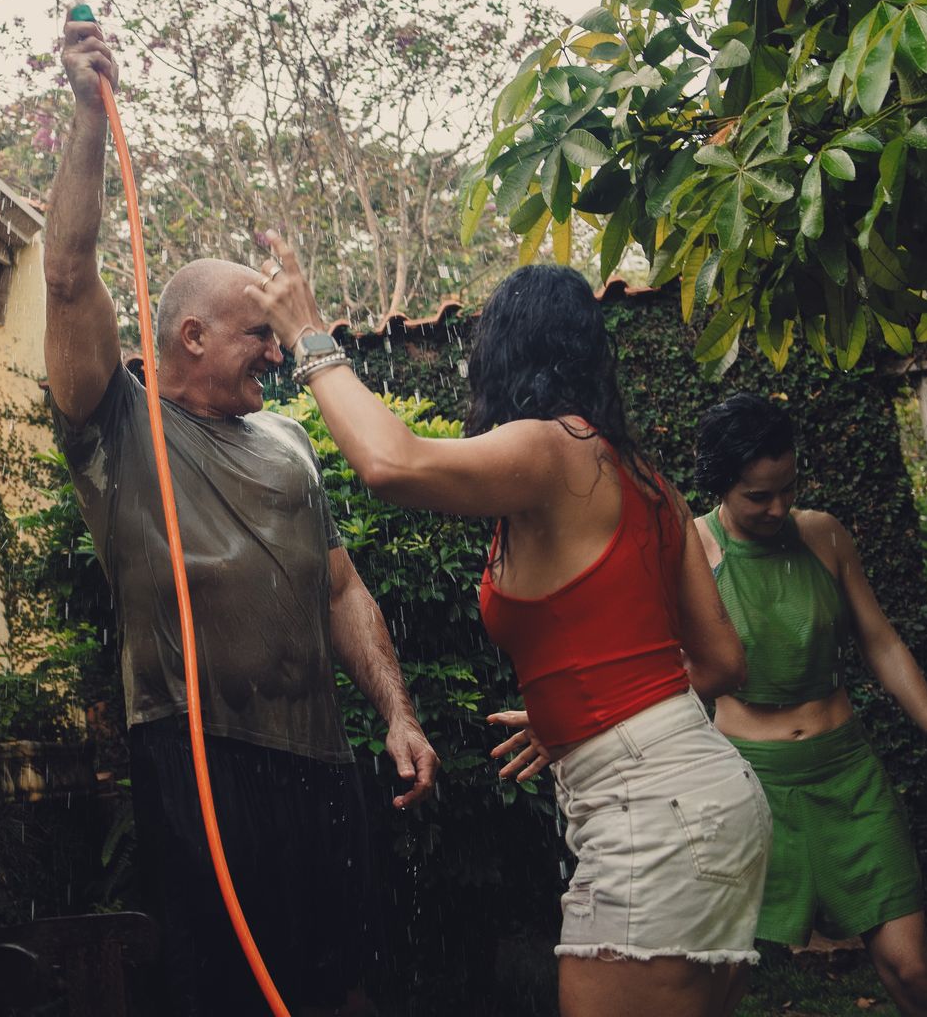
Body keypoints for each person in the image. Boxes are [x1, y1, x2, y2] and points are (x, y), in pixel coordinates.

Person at [250, 246, 768, 1017]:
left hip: (650, 810)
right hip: (709, 793)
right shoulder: (643, 477)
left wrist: (310, 336)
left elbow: (392, 464)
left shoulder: (551, 446)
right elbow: (723, 661)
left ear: (503, 353)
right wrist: (583, 709)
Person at [47, 18, 438, 1016]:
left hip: (319, 761)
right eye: (262, 332)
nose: (279, 350)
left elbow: (340, 586)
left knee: (345, 983)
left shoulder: (292, 443)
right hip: (198, 760)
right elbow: (69, 273)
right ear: (192, 334)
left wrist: (394, 711)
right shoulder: (116, 429)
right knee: (229, 993)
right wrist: (90, 117)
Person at [693, 393, 927, 1017]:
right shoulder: (691, 551)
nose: (777, 508)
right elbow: (663, 671)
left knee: (912, 970)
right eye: (757, 496)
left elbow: (882, 644)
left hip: (848, 779)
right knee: (716, 987)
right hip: (749, 788)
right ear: (722, 484)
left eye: (787, 489)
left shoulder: (824, 536)